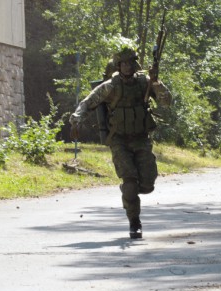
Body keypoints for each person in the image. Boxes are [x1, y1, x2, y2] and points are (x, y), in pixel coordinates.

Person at [69, 41, 172, 239]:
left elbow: (167, 102)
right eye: (123, 63)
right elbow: (88, 102)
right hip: (119, 140)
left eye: (130, 63)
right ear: (118, 66)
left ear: (135, 65)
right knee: (131, 183)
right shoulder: (111, 86)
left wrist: (157, 83)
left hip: (141, 138)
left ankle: (128, 192)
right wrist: (76, 120)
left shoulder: (145, 82)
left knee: (148, 184)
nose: (127, 66)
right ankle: (135, 222)